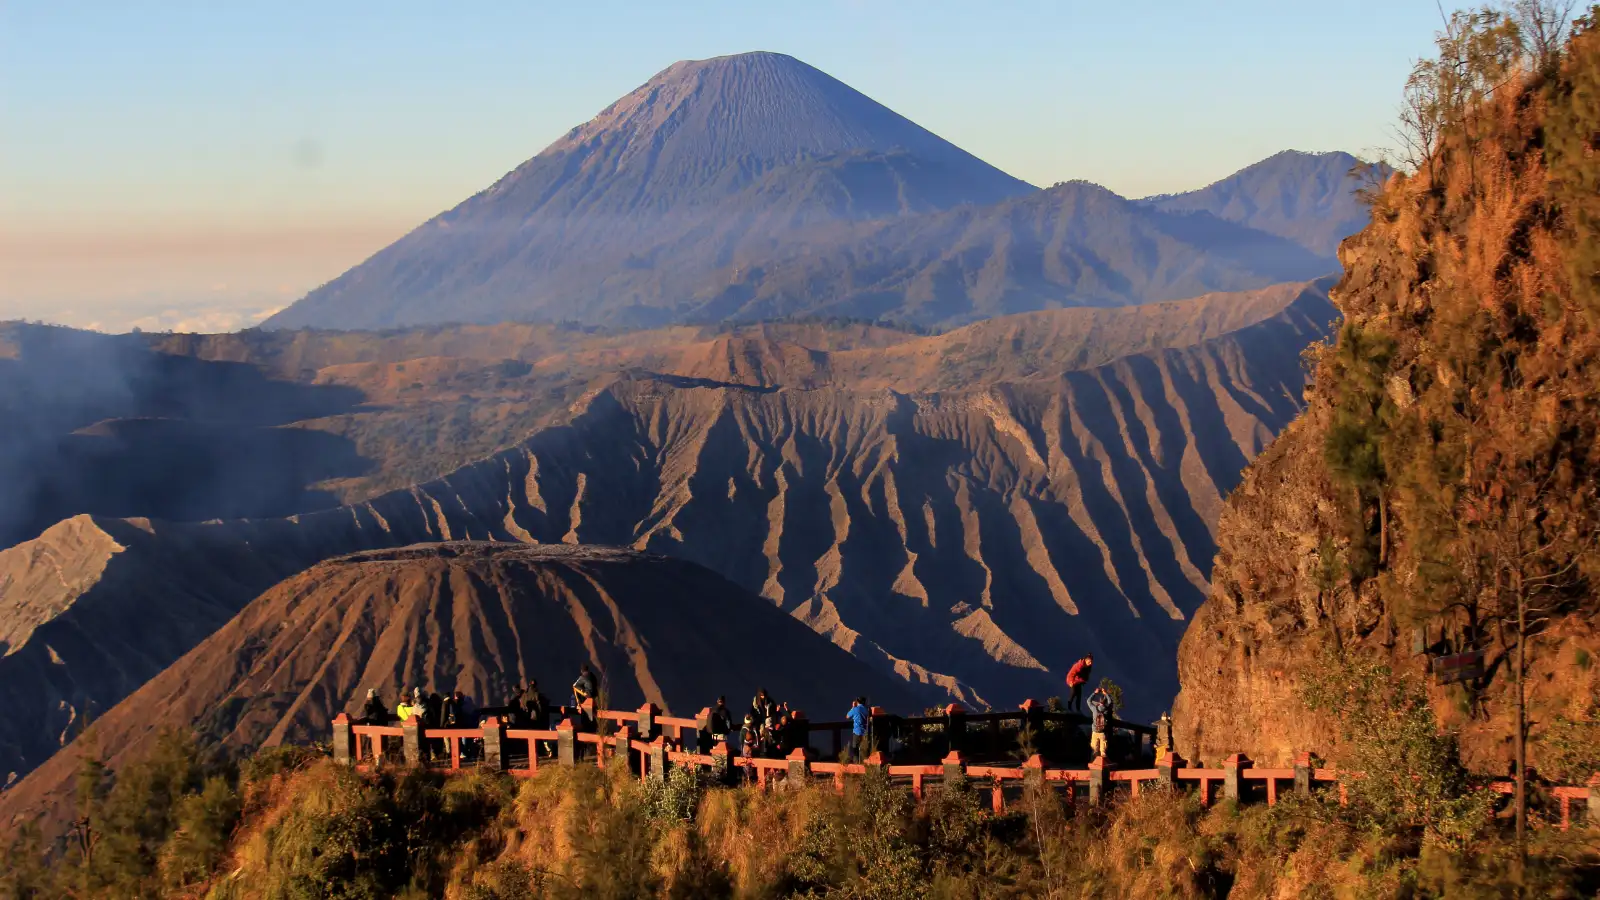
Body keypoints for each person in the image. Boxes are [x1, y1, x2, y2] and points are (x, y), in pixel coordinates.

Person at [1087, 687, 1112, 760]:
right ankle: (1103, 764)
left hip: (1095, 731)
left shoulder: (1094, 709)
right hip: (1103, 732)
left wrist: (1095, 693)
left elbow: (1088, 701)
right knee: (1103, 752)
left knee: (1094, 750)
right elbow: (1110, 702)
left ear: (1099, 701)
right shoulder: (1106, 710)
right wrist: (1105, 693)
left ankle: (1093, 763)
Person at [846, 697, 870, 763]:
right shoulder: (867, 710)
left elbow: (847, 716)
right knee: (864, 750)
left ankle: (856, 764)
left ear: (857, 702)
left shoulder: (855, 709)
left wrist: (853, 707)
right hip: (865, 732)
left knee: (855, 750)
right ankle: (864, 763)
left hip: (856, 732)